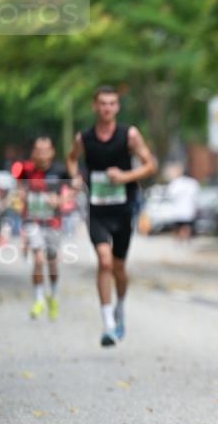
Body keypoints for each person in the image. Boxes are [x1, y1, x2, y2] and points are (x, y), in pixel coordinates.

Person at [67, 86, 158, 346]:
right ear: (95, 106)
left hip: (122, 209)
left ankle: (120, 307)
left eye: (111, 103)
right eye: (103, 103)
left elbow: (151, 165)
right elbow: (72, 159)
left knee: (119, 267)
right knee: (104, 262)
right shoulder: (84, 138)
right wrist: (75, 178)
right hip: (97, 209)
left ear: (117, 107)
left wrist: (126, 176)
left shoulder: (129, 135)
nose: (107, 108)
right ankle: (108, 324)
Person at [18, 137, 70, 320]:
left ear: (52, 152)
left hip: (53, 223)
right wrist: (22, 194)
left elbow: (73, 190)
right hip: (33, 221)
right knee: (39, 259)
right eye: (38, 150)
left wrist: (60, 200)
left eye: (45, 150)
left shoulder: (60, 170)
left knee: (52, 262)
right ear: (34, 152)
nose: (41, 154)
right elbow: (19, 188)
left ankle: (53, 296)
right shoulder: (26, 170)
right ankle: (39, 299)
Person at [165, 164, 199, 242]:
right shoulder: (193, 183)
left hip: (177, 210)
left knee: (178, 227)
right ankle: (185, 239)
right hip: (188, 210)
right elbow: (196, 197)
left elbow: (169, 194)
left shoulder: (176, 182)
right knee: (186, 226)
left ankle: (179, 241)